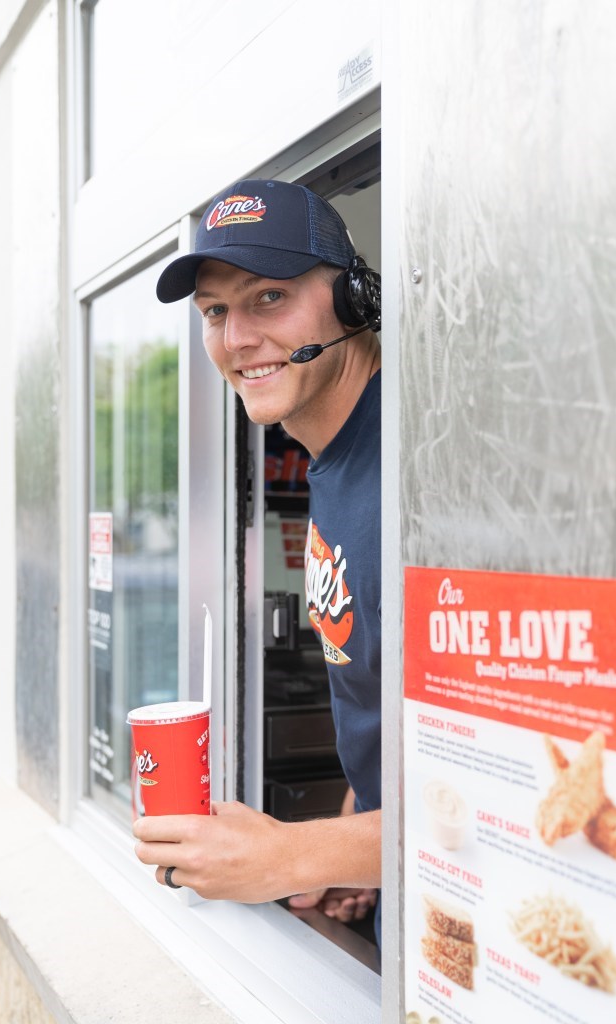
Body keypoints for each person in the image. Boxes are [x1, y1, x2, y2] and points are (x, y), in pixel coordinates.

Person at [132, 178, 383, 944]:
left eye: (268, 298)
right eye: (215, 311)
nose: (236, 338)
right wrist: (352, 845)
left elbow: (510, 793)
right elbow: (397, 710)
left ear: (353, 300)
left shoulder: (422, 471)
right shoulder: (335, 456)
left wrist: (287, 854)